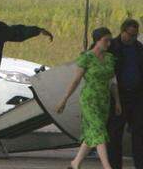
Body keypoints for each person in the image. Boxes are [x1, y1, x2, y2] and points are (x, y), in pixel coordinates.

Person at [56, 27, 120, 169]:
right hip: (90, 100)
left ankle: (75, 163)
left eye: (110, 41)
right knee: (99, 131)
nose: (108, 44)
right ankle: (107, 166)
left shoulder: (110, 59)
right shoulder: (86, 57)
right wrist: (64, 100)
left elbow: (113, 82)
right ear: (97, 41)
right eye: (105, 41)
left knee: (93, 133)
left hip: (104, 100)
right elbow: (76, 81)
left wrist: (117, 102)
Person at [107, 19, 143, 169]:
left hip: (137, 96)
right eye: (131, 35)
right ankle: (115, 166)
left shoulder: (139, 48)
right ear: (122, 32)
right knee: (115, 133)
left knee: (139, 132)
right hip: (118, 96)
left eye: (136, 35)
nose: (133, 38)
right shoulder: (113, 47)